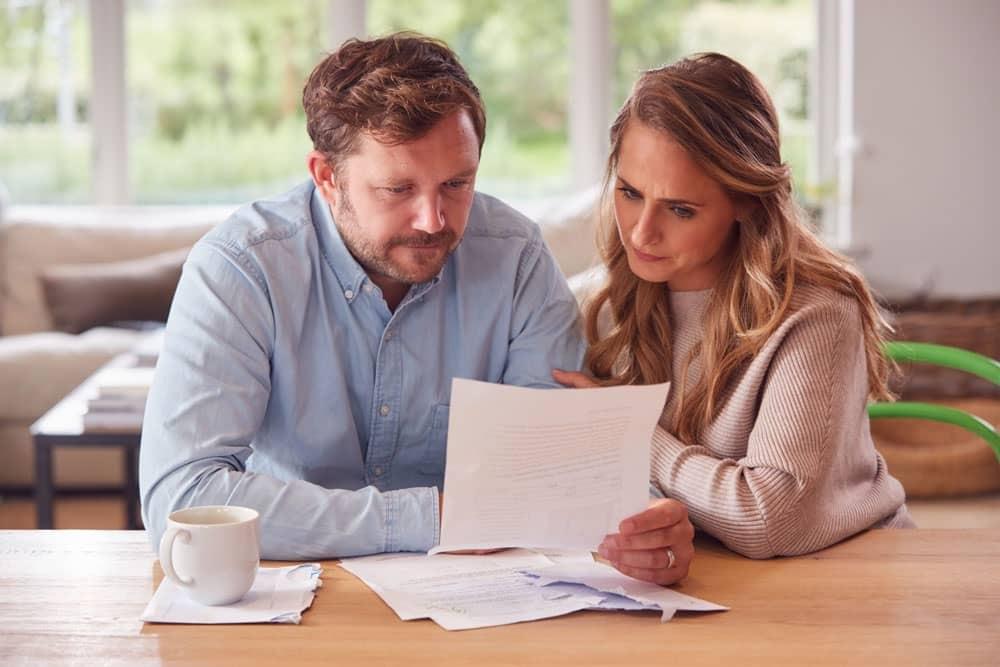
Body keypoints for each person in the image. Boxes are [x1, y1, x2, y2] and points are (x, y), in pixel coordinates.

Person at [139, 33, 694, 584]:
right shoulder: (241, 268)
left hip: (485, 594)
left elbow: (554, 468)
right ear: (327, 178)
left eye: (457, 182)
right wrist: (432, 519)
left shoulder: (515, 257)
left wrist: (641, 529)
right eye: (398, 189)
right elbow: (181, 499)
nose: (434, 220)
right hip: (296, 592)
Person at [555, 53, 914, 561]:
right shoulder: (599, 304)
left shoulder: (817, 314)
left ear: (746, 200)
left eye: (681, 209)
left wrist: (625, 433)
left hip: (848, 577)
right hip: (704, 579)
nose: (641, 232)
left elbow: (771, 520)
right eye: (630, 193)